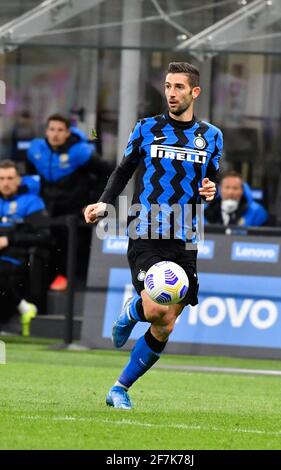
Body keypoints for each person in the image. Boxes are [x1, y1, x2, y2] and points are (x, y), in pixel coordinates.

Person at [84, 62, 223, 409]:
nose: (171, 93)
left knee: (166, 324)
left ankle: (119, 388)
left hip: (187, 236)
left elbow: (211, 181)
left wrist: (210, 190)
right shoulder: (147, 129)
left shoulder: (212, 136)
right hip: (147, 230)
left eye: (179, 87)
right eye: (167, 86)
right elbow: (123, 171)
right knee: (155, 305)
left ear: (195, 92)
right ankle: (134, 309)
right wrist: (104, 204)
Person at [27, 113, 111, 290]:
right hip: (48, 208)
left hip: (75, 209)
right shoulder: (36, 150)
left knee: (74, 246)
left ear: (67, 133)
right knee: (48, 244)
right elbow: (30, 174)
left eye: (60, 130)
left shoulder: (80, 152)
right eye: (51, 129)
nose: (55, 134)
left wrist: (94, 202)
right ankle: (52, 282)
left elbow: (106, 172)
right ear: (46, 131)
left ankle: (76, 285)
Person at [0, 160, 50, 336]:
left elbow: (44, 236)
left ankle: (24, 307)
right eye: (1, 178)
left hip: (17, 257)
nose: (5, 183)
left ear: (18, 180)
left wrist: (9, 240)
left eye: (9, 178)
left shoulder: (32, 202)